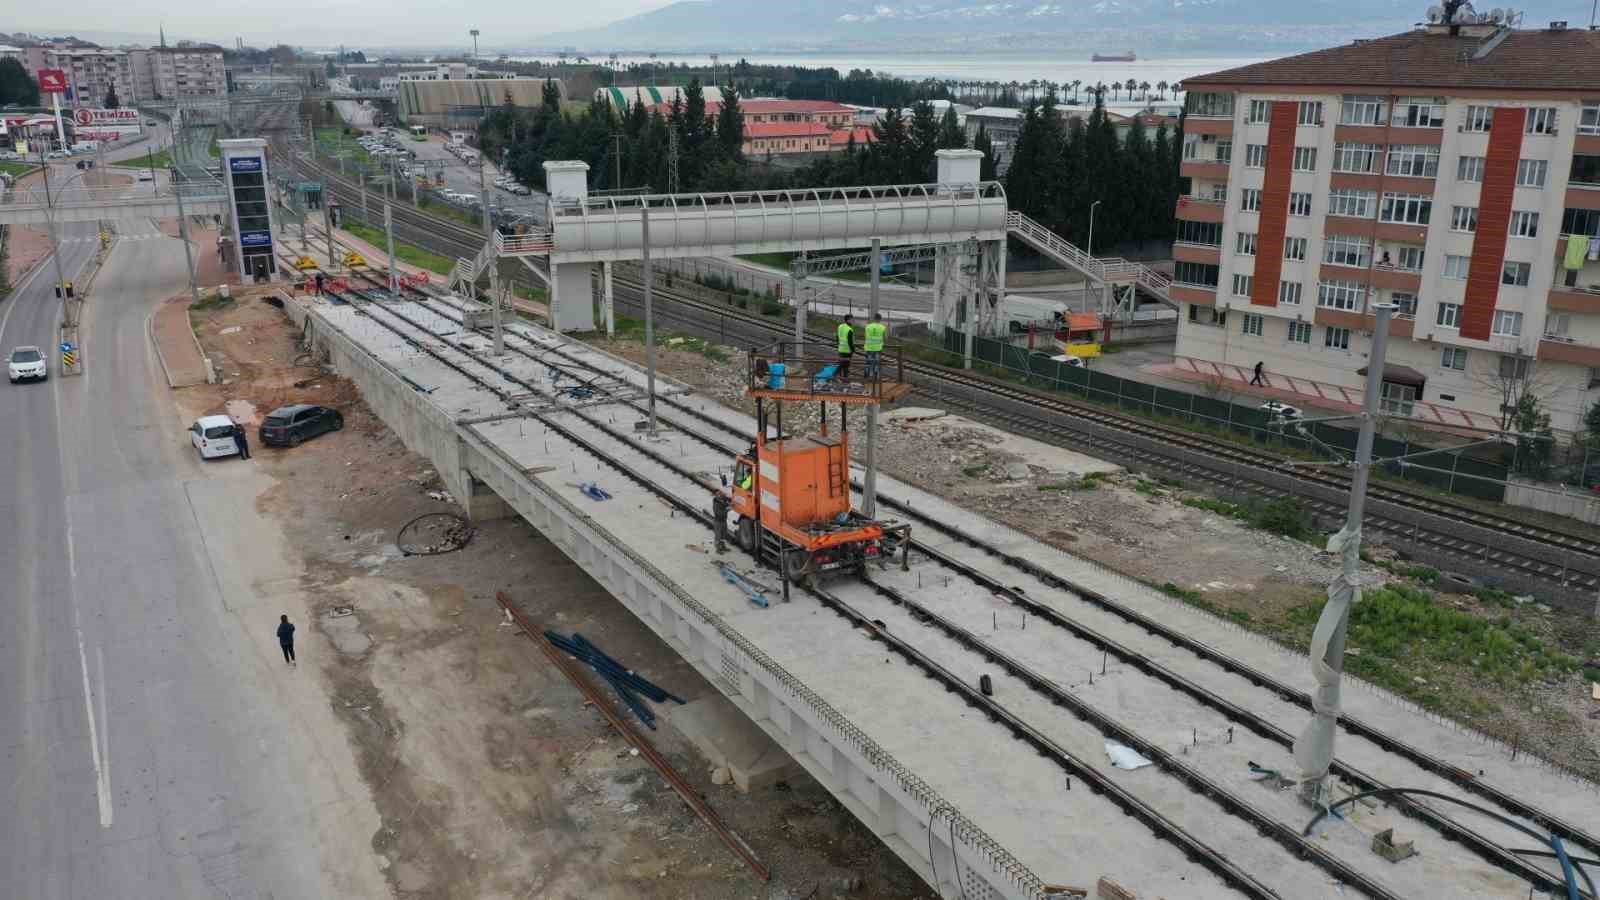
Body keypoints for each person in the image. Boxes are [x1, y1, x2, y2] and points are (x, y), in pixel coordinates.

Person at [863, 313, 887, 380]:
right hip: (878, 349)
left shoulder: (868, 326)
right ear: (880, 319)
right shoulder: (883, 327)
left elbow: (865, 336)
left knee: (868, 362)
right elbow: (885, 338)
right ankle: (875, 378)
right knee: (876, 363)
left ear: (874, 318)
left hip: (868, 348)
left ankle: (866, 377)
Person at [836, 315, 855, 380]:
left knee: (841, 364)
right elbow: (850, 342)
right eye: (852, 320)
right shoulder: (849, 329)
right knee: (845, 365)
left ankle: (840, 377)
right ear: (848, 320)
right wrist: (853, 350)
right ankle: (844, 378)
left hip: (840, 349)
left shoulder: (840, 326)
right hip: (847, 350)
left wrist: (839, 344)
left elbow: (837, 337)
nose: (853, 321)